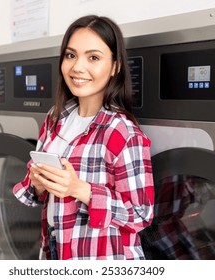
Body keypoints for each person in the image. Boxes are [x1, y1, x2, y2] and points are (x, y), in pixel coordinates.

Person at [13, 15, 154, 260]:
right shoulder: (55, 118)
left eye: (93, 57)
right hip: (55, 250)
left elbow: (142, 214)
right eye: (70, 55)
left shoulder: (121, 131)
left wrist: (80, 189)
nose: (78, 67)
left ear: (115, 66)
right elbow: (36, 194)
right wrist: (37, 182)